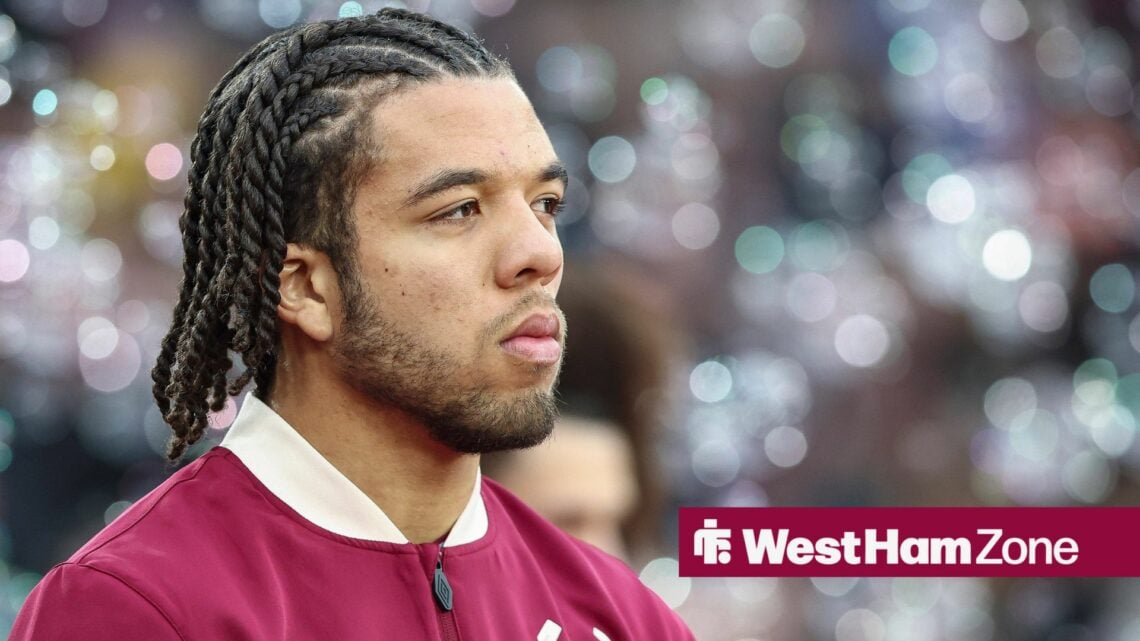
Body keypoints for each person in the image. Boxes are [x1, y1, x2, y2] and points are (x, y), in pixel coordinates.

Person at [10, 9, 693, 640]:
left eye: (545, 203)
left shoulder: (624, 616)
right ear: (305, 286)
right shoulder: (134, 609)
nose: (541, 253)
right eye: (458, 209)